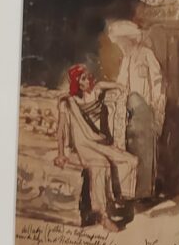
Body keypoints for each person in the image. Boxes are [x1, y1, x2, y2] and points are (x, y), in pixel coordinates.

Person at [54, 65, 138, 232]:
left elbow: (111, 85)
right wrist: (61, 153)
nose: (88, 80)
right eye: (83, 79)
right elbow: (61, 129)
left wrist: (121, 88)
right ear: (77, 83)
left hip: (99, 141)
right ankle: (102, 216)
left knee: (131, 161)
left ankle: (117, 198)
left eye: (88, 77)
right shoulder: (68, 102)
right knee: (101, 164)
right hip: (83, 144)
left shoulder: (96, 90)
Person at [107, 21, 165, 200]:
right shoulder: (126, 59)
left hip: (145, 109)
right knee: (131, 148)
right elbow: (121, 84)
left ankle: (144, 192)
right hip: (129, 110)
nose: (121, 46)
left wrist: (157, 109)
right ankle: (130, 190)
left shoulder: (147, 55)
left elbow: (157, 82)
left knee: (145, 150)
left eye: (122, 42)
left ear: (130, 40)